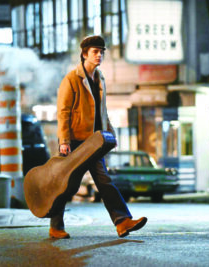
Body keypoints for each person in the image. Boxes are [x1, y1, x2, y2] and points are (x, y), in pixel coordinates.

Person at [51, 35, 147, 239]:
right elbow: (63, 112)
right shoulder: (71, 79)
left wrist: (110, 133)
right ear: (84, 54)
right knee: (67, 185)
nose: (99, 55)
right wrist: (64, 142)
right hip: (76, 141)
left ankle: (122, 222)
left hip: (94, 142)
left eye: (102, 52)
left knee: (104, 180)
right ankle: (56, 226)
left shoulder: (99, 77)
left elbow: (102, 111)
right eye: (95, 51)